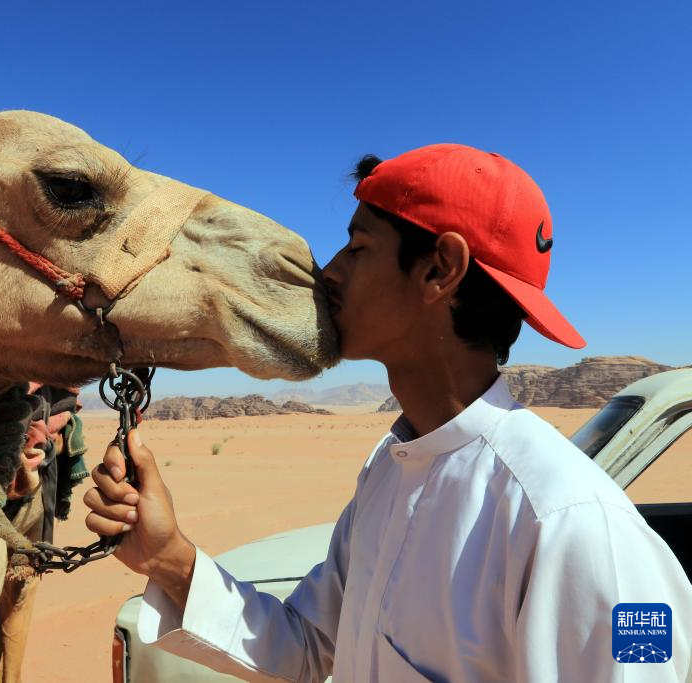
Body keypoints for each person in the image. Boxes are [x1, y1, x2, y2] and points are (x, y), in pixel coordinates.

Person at [82, 144, 692, 682]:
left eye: (358, 245)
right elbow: (307, 647)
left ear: (438, 269)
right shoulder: (392, 471)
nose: (329, 271)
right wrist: (169, 557)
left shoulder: (571, 523)